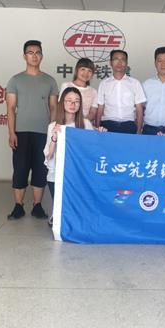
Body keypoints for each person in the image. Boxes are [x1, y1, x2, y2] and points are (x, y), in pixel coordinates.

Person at [6, 40, 58, 221]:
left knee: (40, 169)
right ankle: (18, 206)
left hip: (43, 133)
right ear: (24, 56)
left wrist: (52, 133)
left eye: (38, 52)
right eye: (30, 52)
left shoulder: (50, 81)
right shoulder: (16, 80)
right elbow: (10, 108)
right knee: (20, 169)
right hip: (20, 132)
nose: (34, 56)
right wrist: (11, 132)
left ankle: (37, 206)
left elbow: (54, 108)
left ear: (42, 56)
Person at [43, 87, 103, 225]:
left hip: (78, 174)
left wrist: (100, 135)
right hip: (58, 173)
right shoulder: (53, 126)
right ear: (62, 103)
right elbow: (49, 155)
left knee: (77, 211)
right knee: (60, 212)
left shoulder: (85, 124)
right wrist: (54, 138)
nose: (72, 104)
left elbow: (92, 150)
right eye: (69, 100)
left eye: (76, 101)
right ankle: (56, 214)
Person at [96, 50, 146, 134]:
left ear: (126, 63)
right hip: (108, 125)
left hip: (128, 125)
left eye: (123, 59)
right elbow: (100, 108)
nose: (119, 62)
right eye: (116, 59)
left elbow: (139, 109)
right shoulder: (104, 84)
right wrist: (97, 128)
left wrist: (138, 130)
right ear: (110, 62)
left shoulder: (135, 83)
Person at [59, 58, 98, 123]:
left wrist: (81, 122)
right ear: (76, 70)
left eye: (89, 71)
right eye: (83, 69)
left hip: (84, 125)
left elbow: (93, 113)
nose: (86, 73)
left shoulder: (93, 91)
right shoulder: (66, 85)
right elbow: (60, 107)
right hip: (66, 124)